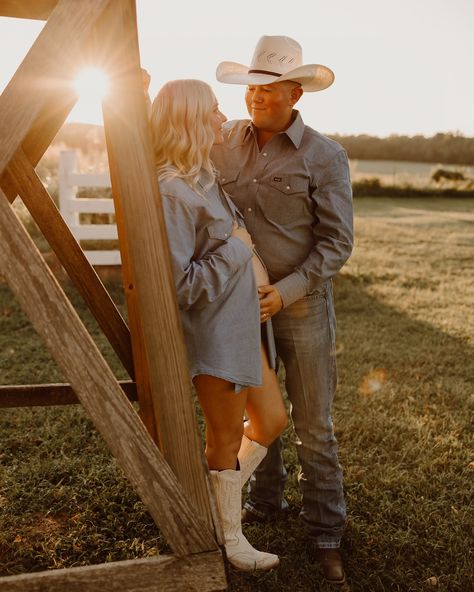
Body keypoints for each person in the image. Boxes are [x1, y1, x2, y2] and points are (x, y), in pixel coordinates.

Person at [211, 36, 354, 585]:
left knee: (314, 424)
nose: (258, 97)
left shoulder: (325, 155)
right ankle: (267, 504)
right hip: (240, 305)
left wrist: (286, 290)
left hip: (302, 306)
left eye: (271, 89)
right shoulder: (223, 141)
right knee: (259, 414)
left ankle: (326, 533)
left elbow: (336, 244)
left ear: (296, 92)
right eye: (253, 87)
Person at [149, 79, 287, 572]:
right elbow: (179, 286)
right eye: (211, 111)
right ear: (188, 120)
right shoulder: (170, 193)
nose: (221, 118)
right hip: (216, 333)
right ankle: (229, 538)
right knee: (224, 439)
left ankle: (212, 504)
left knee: (272, 420)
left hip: (245, 324)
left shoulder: (202, 177)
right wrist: (235, 247)